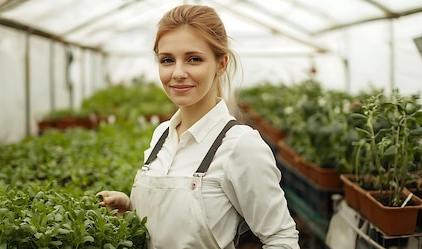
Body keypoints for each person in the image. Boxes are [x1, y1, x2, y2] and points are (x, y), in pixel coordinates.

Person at [98, 4, 301, 249]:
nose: (178, 73)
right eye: (167, 60)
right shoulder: (162, 134)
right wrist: (132, 208)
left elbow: (281, 238)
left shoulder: (240, 145)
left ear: (221, 64)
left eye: (194, 59)